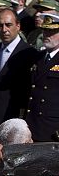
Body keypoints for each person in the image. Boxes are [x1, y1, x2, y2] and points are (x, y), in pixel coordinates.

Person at [25, 12, 59, 141]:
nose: (46, 35)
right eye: (45, 31)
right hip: (32, 126)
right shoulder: (37, 57)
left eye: (52, 32)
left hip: (52, 129)